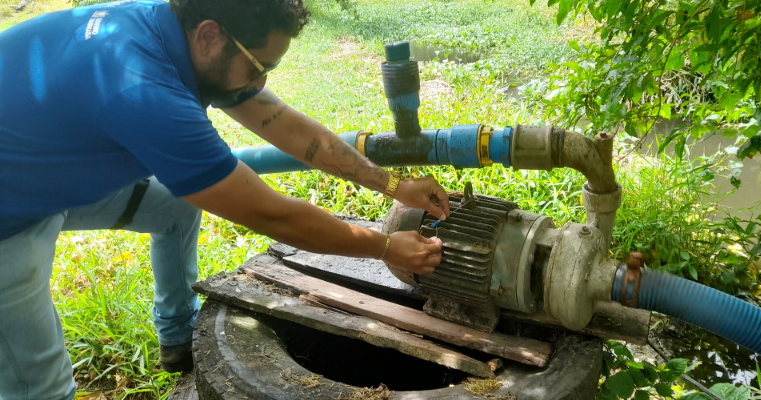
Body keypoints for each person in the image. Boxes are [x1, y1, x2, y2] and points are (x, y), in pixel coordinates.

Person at [0, 0, 451, 398]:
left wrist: (392, 185)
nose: (260, 82)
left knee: (174, 207)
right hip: (9, 218)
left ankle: (178, 337)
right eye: (258, 67)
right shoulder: (144, 92)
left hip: (37, 168)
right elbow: (273, 215)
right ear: (210, 35)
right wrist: (386, 246)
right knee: (40, 385)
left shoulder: (169, 22)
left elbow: (285, 126)